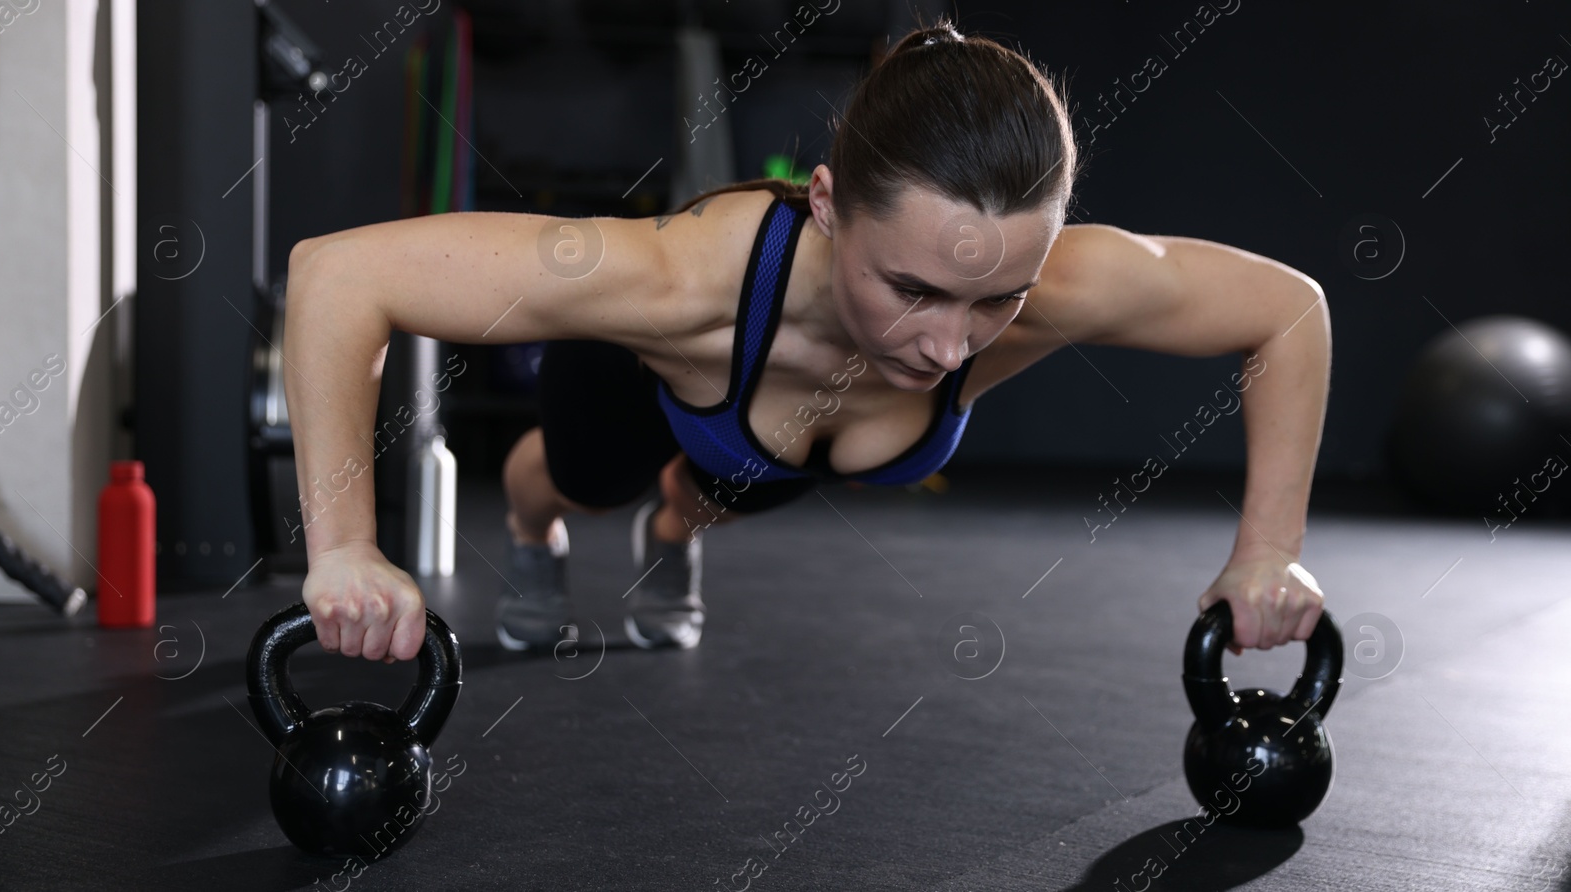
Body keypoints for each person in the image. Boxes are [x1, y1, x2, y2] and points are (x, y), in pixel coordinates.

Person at [281, 20, 1331, 664]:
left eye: (995, 298)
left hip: (768, 442)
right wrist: (344, 551)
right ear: (827, 204)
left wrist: (1267, 549)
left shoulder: (1060, 286)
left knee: (715, 489)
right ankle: (539, 534)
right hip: (665, 375)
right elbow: (339, 275)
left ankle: (678, 529)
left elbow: (1287, 310)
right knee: (573, 479)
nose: (945, 345)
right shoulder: (675, 278)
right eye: (911, 288)